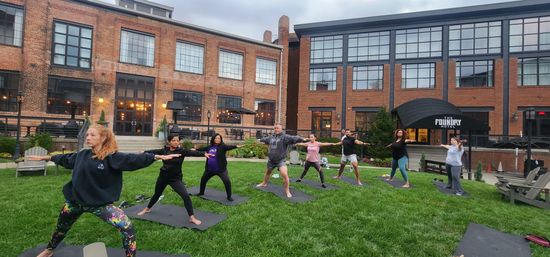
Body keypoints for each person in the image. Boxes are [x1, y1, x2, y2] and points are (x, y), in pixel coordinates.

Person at [30, 125, 179, 257]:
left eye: (92, 135)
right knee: (60, 228)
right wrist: (47, 157)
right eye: (87, 135)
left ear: (103, 138)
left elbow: (133, 159)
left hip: (99, 205)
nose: (88, 137)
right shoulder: (82, 155)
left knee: (127, 227)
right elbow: (66, 159)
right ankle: (49, 250)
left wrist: (155, 156)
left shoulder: (112, 158)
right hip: (74, 202)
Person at [137, 134, 207, 225]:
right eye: (174, 140)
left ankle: (192, 217)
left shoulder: (181, 151)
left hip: (175, 179)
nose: (176, 142)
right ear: (169, 141)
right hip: (163, 177)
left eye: (177, 141)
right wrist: (144, 151)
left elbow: (192, 152)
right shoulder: (164, 150)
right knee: (157, 194)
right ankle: (147, 209)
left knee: (185, 196)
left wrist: (203, 154)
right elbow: (153, 151)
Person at [256, 124, 308, 198]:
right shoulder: (271, 137)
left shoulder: (285, 137)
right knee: (268, 172)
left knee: (284, 175)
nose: (276, 129)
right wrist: (259, 139)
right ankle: (264, 183)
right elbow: (265, 139)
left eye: (277, 128)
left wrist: (302, 139)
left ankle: (287, 191)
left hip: (280, 160)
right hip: (271, 160)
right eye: (275, 128)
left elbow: (293, 138)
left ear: (281, 129)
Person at [195, 133, 242, 201]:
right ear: (213, 139)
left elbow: (230, 147)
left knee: (227, 181)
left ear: (221, 140)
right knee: (203, 180)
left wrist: (237, 146)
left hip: (221, 170)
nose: (217, 139)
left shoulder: (223, 147)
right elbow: (201, 149)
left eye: (219, 138)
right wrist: (194, 149)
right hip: (209, 170)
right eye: (216, 138)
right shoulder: (209, 147)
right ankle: (201, 192)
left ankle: (229, 196)